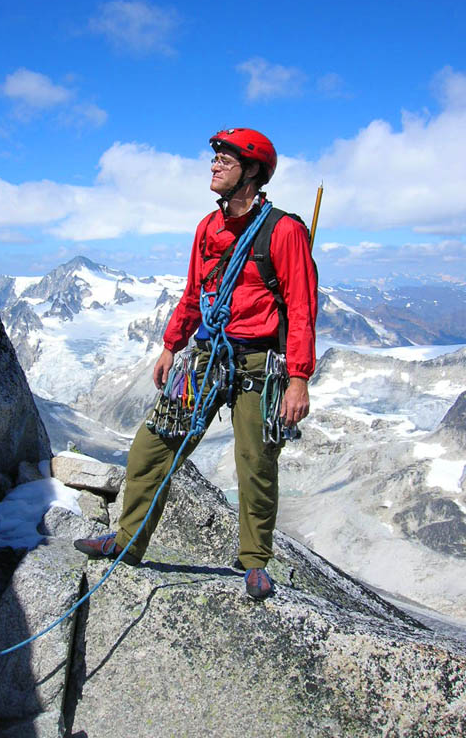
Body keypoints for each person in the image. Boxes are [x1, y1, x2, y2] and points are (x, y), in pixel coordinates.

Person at [75, 128, 318, 599]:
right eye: (216, 157)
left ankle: (254, 563)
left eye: (226, 158)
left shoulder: (283, 231)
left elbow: (302, 307)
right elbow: (194, 292)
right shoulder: (208, 228)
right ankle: (127, 542)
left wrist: (299, 378)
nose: (215, 164)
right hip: (207, 354)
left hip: (257, 362)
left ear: (252, 171)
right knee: (152, 446)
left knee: (256, 461)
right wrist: (171, 344)